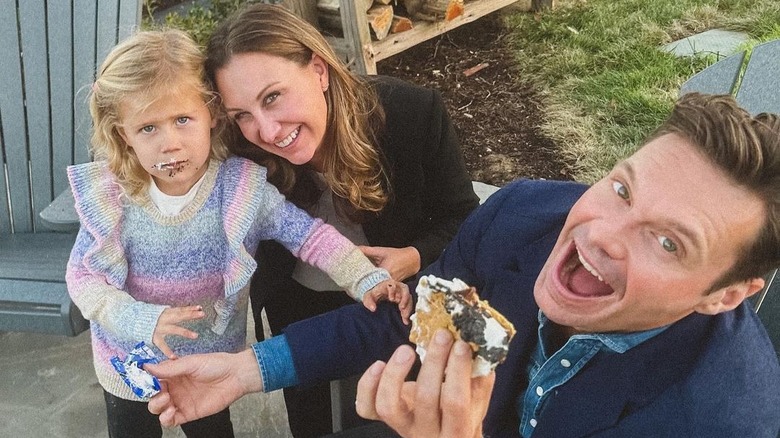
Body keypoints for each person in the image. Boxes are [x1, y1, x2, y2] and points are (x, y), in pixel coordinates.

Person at [147, 92, 780, 437]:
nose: (603, 237)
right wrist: (246, 369)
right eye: (621, 189)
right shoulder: (522, 215)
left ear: (724, 295)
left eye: (669, 243)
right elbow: (414, 320)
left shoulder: (722, 419)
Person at [65, 29, 411, 438]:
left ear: (211, 114)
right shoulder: (112, 196)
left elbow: (308, 236)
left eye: (182, 119)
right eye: (147, 129)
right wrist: (140, 319)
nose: (170, 144)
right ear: (123, 132)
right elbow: (83, 278)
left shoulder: (241, 191)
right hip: (127, 360)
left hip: (208, 366)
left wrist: (365, 276)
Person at [202, 4, 479, 436]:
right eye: (243, 115)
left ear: (318, 70)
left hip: (398, 301)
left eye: (273, 97)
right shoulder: (244, 155)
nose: (268, 131)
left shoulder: (412, 114)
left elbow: (464, 218)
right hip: (299, 301)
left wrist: (412, 256)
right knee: (310, 420)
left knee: (402, 414)